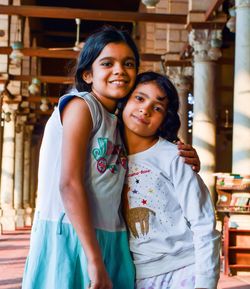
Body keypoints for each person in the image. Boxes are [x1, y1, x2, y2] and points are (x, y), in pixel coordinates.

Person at [22, 27, 200, 289]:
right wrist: (94, 260)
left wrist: (184, 153)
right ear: (88, 74)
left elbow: (149, 153)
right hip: (73, 236)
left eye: (128, 64)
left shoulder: (118, 121)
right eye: (108, 63)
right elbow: (69, 183)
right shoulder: (81, 106)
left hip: (114, 237)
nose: (119, 70)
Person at [121, 72, 220, 289]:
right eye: (139, 98)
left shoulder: (175, 157)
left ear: (165, 118)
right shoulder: (108, 156)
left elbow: (203, 223)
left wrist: (204, 284)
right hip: (137, 274)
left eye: (157, 108)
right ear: (124, 100)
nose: (145, 109)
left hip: (183, 270)